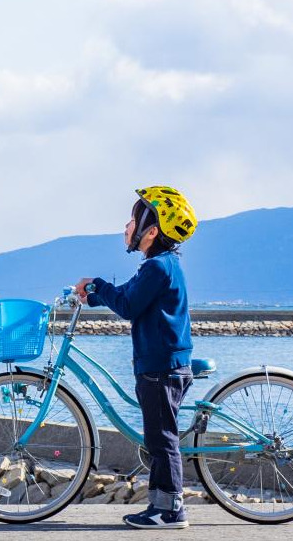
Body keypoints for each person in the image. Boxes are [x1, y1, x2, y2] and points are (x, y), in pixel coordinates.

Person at [75, 186, 198, 530]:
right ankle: (158, 505)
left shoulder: (158, 267)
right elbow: (129, 294)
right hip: (160, 363)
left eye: (132, 221)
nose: (127, 227)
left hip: (161, 366)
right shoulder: (158, 265)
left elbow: (128, 305)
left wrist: (97, 284)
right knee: (158, 437)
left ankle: (172, 510)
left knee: (162, 439)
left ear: (152, 231)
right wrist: (96, 296)